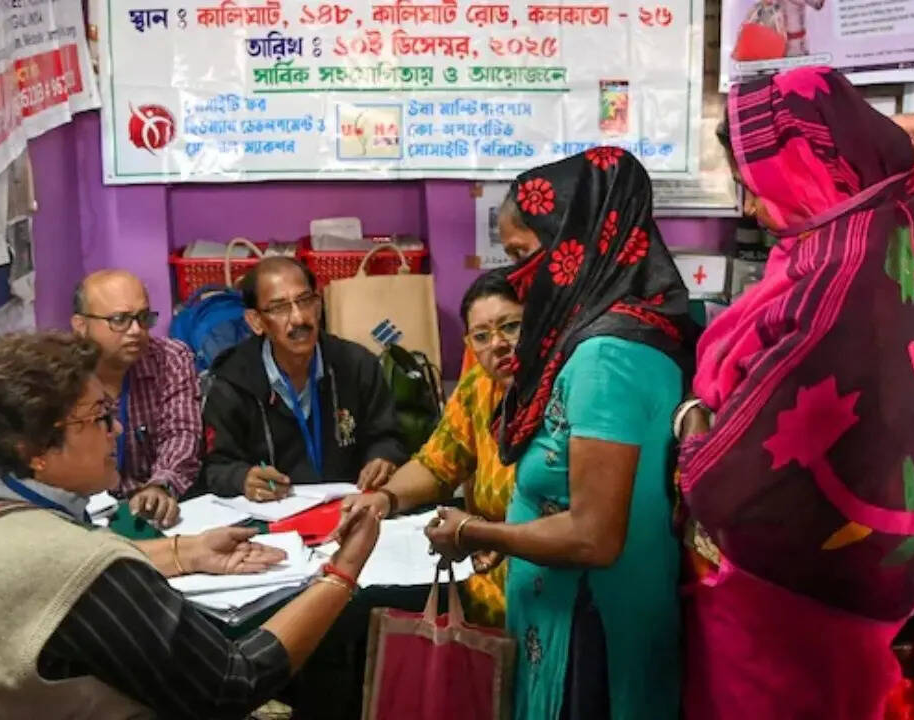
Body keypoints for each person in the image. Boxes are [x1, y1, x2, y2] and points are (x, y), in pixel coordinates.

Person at [678, 67, 914, 719]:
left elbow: (733, 472)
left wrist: (693, 426)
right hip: (871, 580)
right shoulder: (906, 235)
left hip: (785, 602)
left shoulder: (836, 281)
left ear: (803, 170)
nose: (749, 209)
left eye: (756, 187)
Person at [0, 331, 382, 719]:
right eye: (99, 418)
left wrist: (183, 552)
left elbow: (45, 580)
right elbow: (231, 686)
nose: (118, 430)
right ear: (36, 451)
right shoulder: (75, 565)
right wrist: (341, 572)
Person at [422, 148, 696, 720]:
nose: (517, 280)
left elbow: (593, 536)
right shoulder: (631, 330)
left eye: (523, 256)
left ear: (576, 245)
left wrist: (474, 531)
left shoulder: (605, 357)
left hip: (590, 627)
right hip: (584, 612)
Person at [340, 270, 521, 627]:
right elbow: (437, 464)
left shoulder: (564, 390)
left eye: (511, 327)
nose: (498, 344)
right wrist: (383, 499)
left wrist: (480, 533)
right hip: (487, 592)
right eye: (481, 336)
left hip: (546, 581)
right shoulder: (478, 388)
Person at [199, 257, 407, 499]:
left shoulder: (357, 364)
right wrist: (241, 478)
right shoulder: (232, 382)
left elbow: (389, 437)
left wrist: (383, 457)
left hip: (350, 506)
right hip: (274, 512)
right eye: (279, 308)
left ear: (318, 306)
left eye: (305, 301)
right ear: (256, 321)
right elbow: (216, 467)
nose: (298, 318)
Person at [71, 269, 199, 528]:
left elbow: (181, 433)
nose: (136, 330)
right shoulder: (61, 375)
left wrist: (161, 486)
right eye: (119, 320)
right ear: (81, 326)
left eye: (143, 318)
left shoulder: (170, 358)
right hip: (84, 514)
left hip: (154, 510)